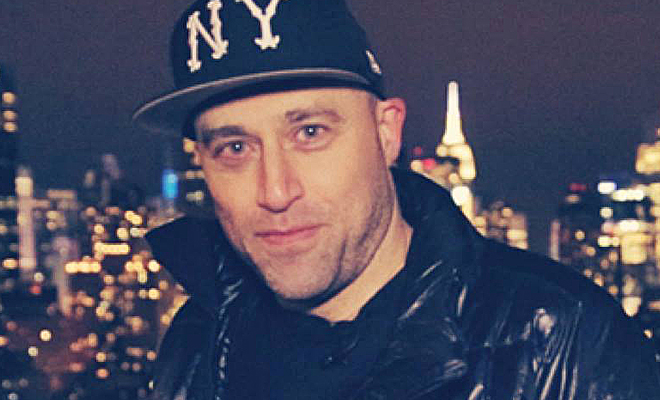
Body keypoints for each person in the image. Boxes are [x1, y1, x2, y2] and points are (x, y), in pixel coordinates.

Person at [133, 0, 660, 399]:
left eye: (310, 132)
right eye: (234, 148)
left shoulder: (557, 338)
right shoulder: (198, 337)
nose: (275, 190)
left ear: (387, 134)